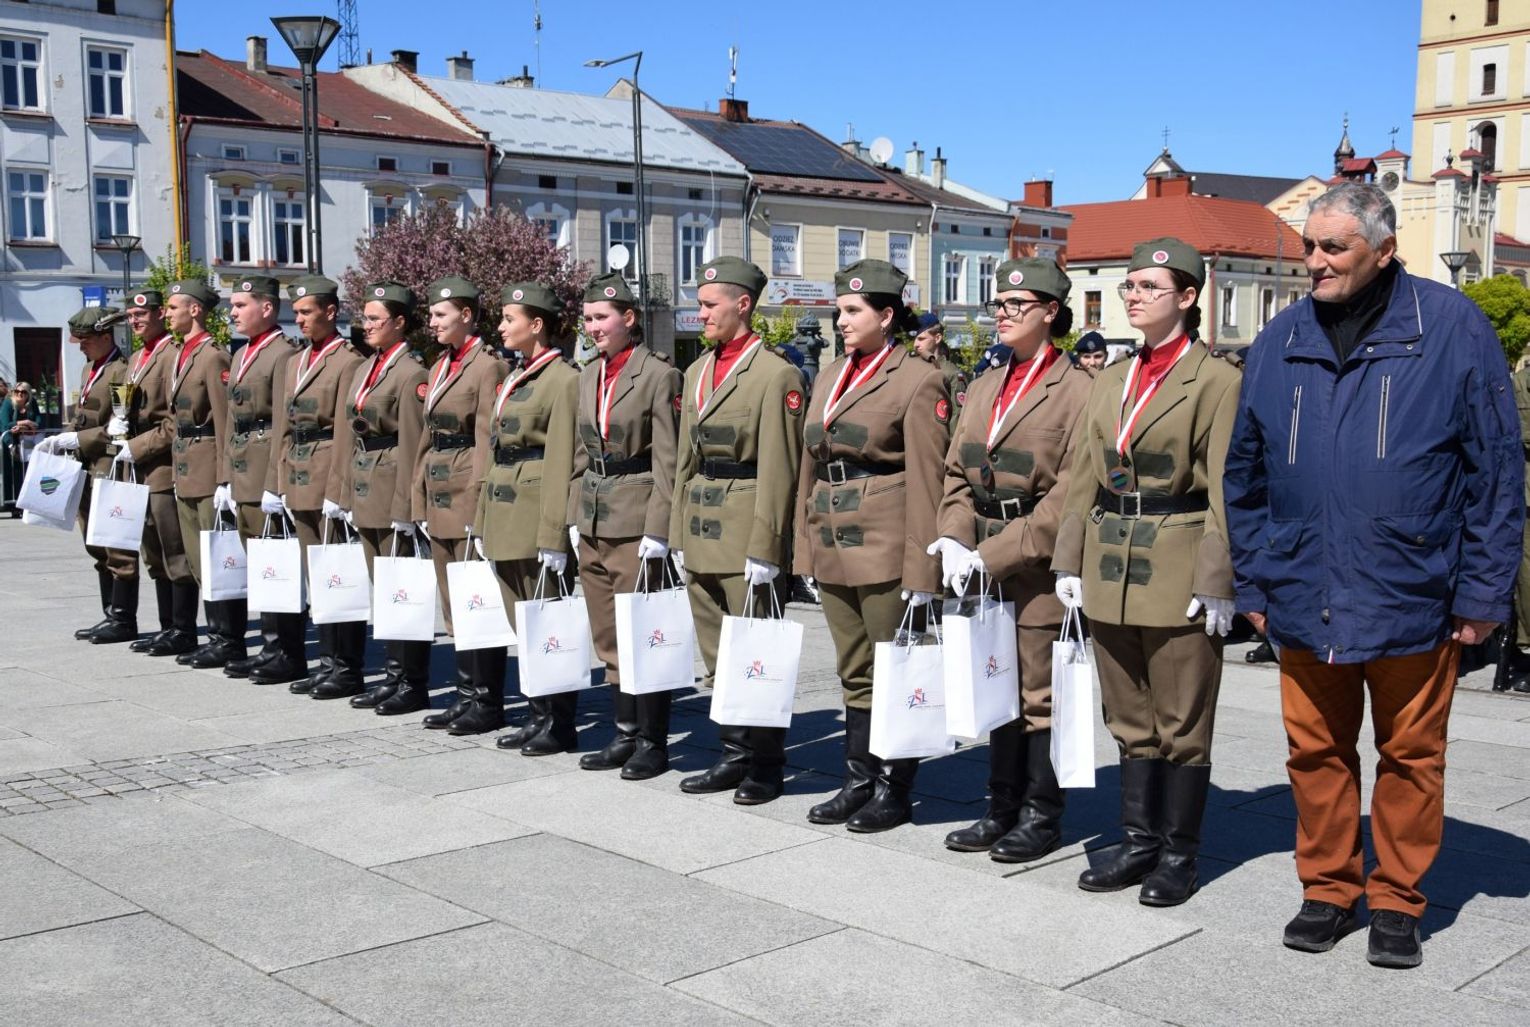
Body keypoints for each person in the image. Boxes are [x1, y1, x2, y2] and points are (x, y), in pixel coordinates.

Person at [1224, 182, 1523, 968]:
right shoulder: (1281, 337)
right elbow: (1244, 474)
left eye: (1334, 247)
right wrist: (1253, 580)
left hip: (1412, 590)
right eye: (1309, 245)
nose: (1314, 261)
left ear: (1384, 250)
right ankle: (1328, 889)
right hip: (1302, 588)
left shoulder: (1450, 327)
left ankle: (1396, 899)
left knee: (1411, 755)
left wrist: (1483, 592)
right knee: (1314, 753)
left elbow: (1496, 472)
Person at [1052, 237, 1241, 907]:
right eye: (1129, 286)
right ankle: (1138, 841)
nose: (1133, 296)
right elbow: (1083, 473)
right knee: (1129, 715)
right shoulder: (1113, 377)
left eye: (1148, 287)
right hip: (1110, 560)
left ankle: (1179, 854)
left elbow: (1225, 486)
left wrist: (1216, 578)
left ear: (1187, 297)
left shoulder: (1215, 380)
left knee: (1181, 721)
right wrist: (1069, 557)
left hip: (1178, 558)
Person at [931, 258, 1093, 861]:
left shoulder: (1079, 390)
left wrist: (991, 554)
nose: (1002, 312)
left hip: (1035, 566)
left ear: (1051, 312)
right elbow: (955, 471)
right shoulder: (984, 385)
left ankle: (1040, 816)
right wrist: (954, 535)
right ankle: (999, 808)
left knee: (1038, 694)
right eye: (998, 303)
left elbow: (1068, 495)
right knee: (993, 682)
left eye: (1016, 304)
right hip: (980, 557)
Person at [793, 258, 949, 832]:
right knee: (854, 669)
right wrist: (802, 549)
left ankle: (893, 787)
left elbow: (929, 480)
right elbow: (808, 467)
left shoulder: (918, 379)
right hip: (831, 535)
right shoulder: (831, 375)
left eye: (853, 311)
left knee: (894, 666)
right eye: (839, 310)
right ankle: (857, 780)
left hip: (885, 541)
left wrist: (923, 569)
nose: (841, 321)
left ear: (886, 316)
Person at [671, 256, 804, 804]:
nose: (700, 313)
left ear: (742, 304)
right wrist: (676, 534)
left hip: (747, 527)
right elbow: (685, 459)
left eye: (709, 305)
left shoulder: (775, 374)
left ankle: (766, 765)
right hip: (702, 525)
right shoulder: (697, 371)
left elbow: (781, 466)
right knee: (717, 652)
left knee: (756, 653)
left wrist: (768, 546)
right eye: (699, 305)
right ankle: (733, 753)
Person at [572, 272, 682, 780]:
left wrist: (660, 529)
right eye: (588, 319)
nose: (593, 327)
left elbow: (668, 460)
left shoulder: (657, 375)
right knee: (608, 633)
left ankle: (652, 741)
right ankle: (624, 732)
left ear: (629, 318)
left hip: (636, 517)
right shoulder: (588, 375)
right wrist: (573, 517)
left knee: (643, 632)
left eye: (602, 318)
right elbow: (580, 454)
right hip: (594, 515)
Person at [474, 281, 581, 753]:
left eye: (509, 319)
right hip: (505, 508)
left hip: (536, 512)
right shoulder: (517, 374)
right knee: (523, 620)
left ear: (537, 325)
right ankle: (538, 713)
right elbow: (495, 450)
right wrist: (482, 517)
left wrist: (554, 533)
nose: (500, 327)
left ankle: (559, 722)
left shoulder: (563, 379)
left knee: (548, 620)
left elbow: (562, 460)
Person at [253, 276, 366, 692]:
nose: (299, 319)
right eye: (296, 313)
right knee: (315, 576)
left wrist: (338, 490)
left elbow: (345, 432)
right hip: (297, 474)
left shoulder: (347, 361)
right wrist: (274, 481)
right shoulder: (295, 361)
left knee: (337, 573)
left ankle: (346, 666)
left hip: (326, 473)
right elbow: (282, 426)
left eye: (306, 312)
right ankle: (326, 662)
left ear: (330, 312)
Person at [412, 276, 507, 734]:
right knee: (453, 603)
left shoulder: (487, 367)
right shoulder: (438, 367)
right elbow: (427, 438)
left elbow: (487, 437)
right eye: (430, 314)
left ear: (466, 316)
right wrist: (417, 496)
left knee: (476, 599)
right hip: (438, 489)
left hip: (467, 488)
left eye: (440, 315)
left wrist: (481, 501)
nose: (432, 322)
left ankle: (487, 700)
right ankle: (465, 694)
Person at [334, 281, 430, 714]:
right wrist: (343, 493)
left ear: (400, 322)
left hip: (392, 486)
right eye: (365, 317)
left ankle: (412, 681)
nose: (366, 325)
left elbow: (412, 444)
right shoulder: (366, 367)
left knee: (402, 588)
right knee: (383, 588)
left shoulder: (411, 372)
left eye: (375, 319)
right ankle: (393, 675)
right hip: (365, 483)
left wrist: (407, 507)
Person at [209, 277, 301, 676]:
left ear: (266, 308)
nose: (233, 312)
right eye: (232, 305)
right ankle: (269, 645)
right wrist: (225, 477)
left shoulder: (283, 353)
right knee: (260, 564)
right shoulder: (242, 353)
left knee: (277, 563)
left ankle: (287, 651)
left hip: (265, 467)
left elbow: (282, 421)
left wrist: (275, 483)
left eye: (241, 305)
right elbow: (231, 420)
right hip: (243, 468)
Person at [41, 307, 139, 643]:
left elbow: (120, 426)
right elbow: (84, 415)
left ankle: (123, 619)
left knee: (115, 544)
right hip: (85, 463)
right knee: (95, 542)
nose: (80, 346)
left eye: (85, 340)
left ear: (105, 337)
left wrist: (79, 439)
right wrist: (65, 436)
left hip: (109, 464)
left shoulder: (121, 371)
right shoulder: (90, 368)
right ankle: (109, 613)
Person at [156, 281, 234, 665]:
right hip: (185, 464)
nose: (166, 314)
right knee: (196, 558)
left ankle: (226, 638)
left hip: (207, 466)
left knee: (215, 556)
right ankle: (214, 634)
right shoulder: (181, 353)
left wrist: (224, 477)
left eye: (173, 307)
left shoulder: (212, 356)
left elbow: (224, 420)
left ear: (195, 310)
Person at [121, 289, 198, 656]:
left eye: (142, 315)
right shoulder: (137, 358)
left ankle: (183, 629)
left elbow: (174, 421)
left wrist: (136, 446)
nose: (135, 321)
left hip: (163, 466)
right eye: (130, 317)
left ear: (157, 315)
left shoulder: (171, 355)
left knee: (174, 550)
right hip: (138, 466)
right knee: (152, 551)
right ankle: (167, 626)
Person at [912, 312, 970, 410]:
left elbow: (957, 414)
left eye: (921, 339)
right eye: (915, 339)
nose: (915, 344)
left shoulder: (950, 373)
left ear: (937, 338)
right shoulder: (912, 368)